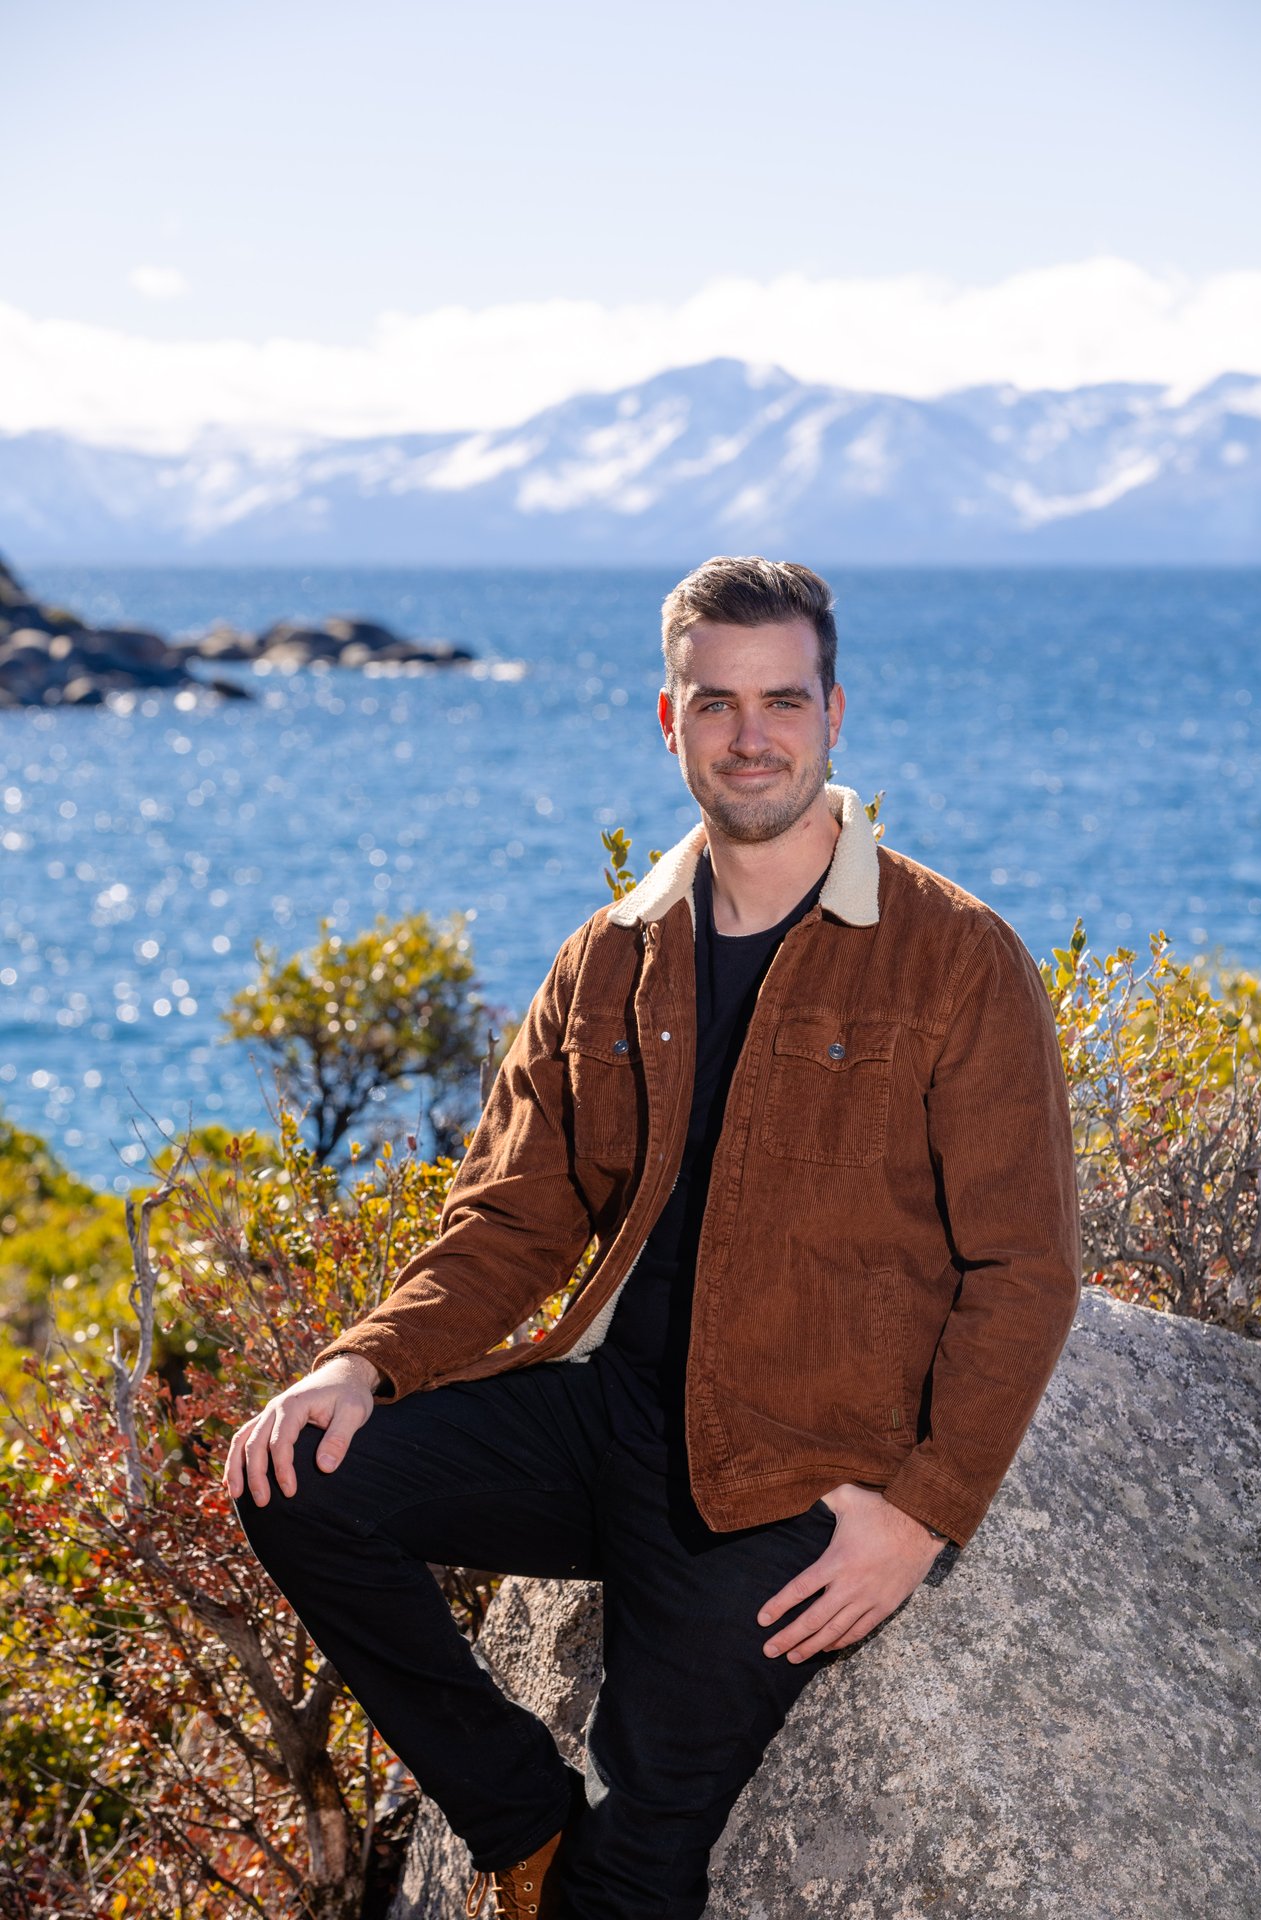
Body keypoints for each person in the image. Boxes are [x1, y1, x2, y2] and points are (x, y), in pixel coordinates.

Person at [225, 556, 1081, 1920]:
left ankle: (577, 1863)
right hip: (607, 1418)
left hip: (789, 1473)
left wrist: (920, 1516)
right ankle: (516, 1819)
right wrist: (361, 1366)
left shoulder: (951, 954)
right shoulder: (610, 957)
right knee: (296, 1482)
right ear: (668, 719)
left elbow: (1024, 1270)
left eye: (783, 699)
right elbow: (510, 1216)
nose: (754, 734)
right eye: (717, 701)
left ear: (835, 713)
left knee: (635, 1868)